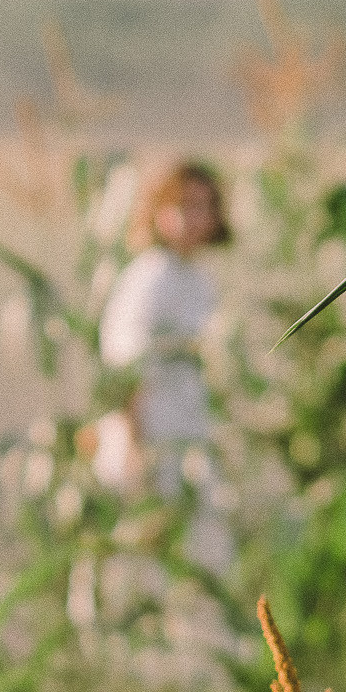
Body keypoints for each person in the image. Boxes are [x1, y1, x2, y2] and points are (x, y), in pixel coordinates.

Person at [89, 161, 232, 500]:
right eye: (182, 206)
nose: (191, 218)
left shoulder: (201, 280)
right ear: (158, 213)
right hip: (147, 433)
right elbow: (125, 365)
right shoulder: (148, 277)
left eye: (202, 207)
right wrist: (133, 444)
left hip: (187, 430)